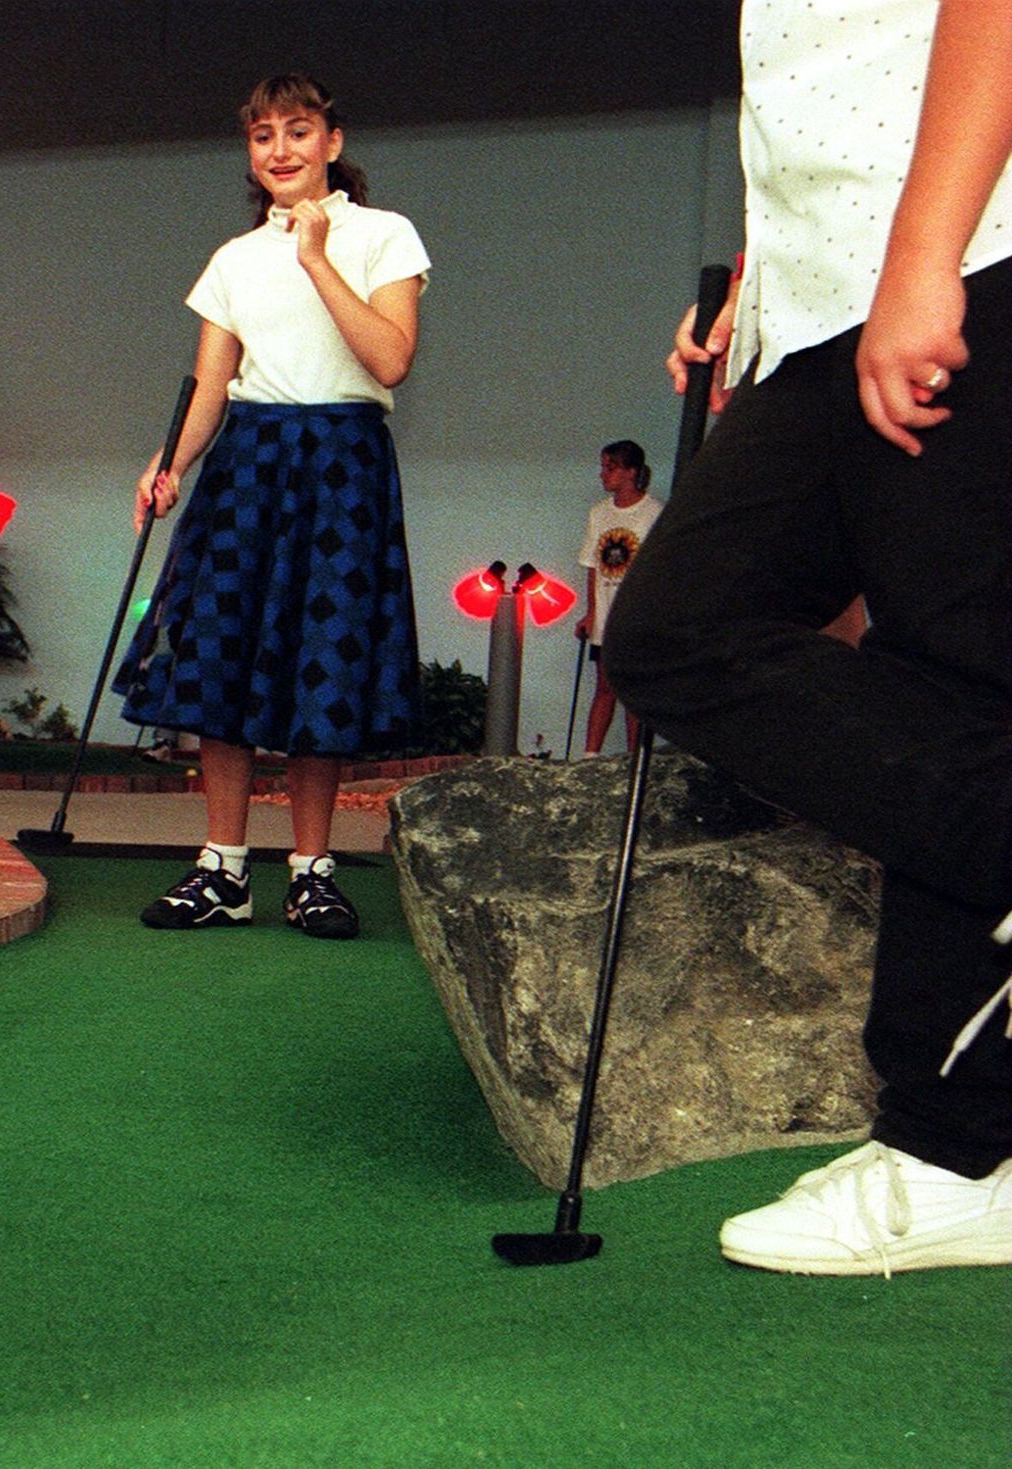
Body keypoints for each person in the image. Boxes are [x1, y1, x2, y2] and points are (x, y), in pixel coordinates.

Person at [603, 0, 1012, 1274]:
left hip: (963, 253)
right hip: (835, 291)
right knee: (676, 631)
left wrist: (923, 255)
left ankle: (954, 1153)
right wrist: (756, 290)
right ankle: (957, 1145)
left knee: (949, 675)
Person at [113, 73, 430, 939]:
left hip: (343, 459)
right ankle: (223, 870)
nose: (281, 149)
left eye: (299, 130)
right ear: (251, 152)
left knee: (320, 658)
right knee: (224, 649)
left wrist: (317, 257)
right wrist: (167, 463)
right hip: (249, 459)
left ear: (332, 141)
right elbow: (214, 384)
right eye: (263, 136)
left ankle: (312, 871)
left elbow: (390, 359)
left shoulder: (384, 235)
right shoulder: (232, 257)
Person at [574, 440, 662, 755]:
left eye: (610, 468)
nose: (603, 475)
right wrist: (591, 613)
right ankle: (589, 757)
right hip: (606, 616)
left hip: (636, 618)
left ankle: (633, 759)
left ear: (630, 472)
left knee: (633, 692)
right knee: (604, 688)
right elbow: (592, 566)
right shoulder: (599, 514)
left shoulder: (654, 513)